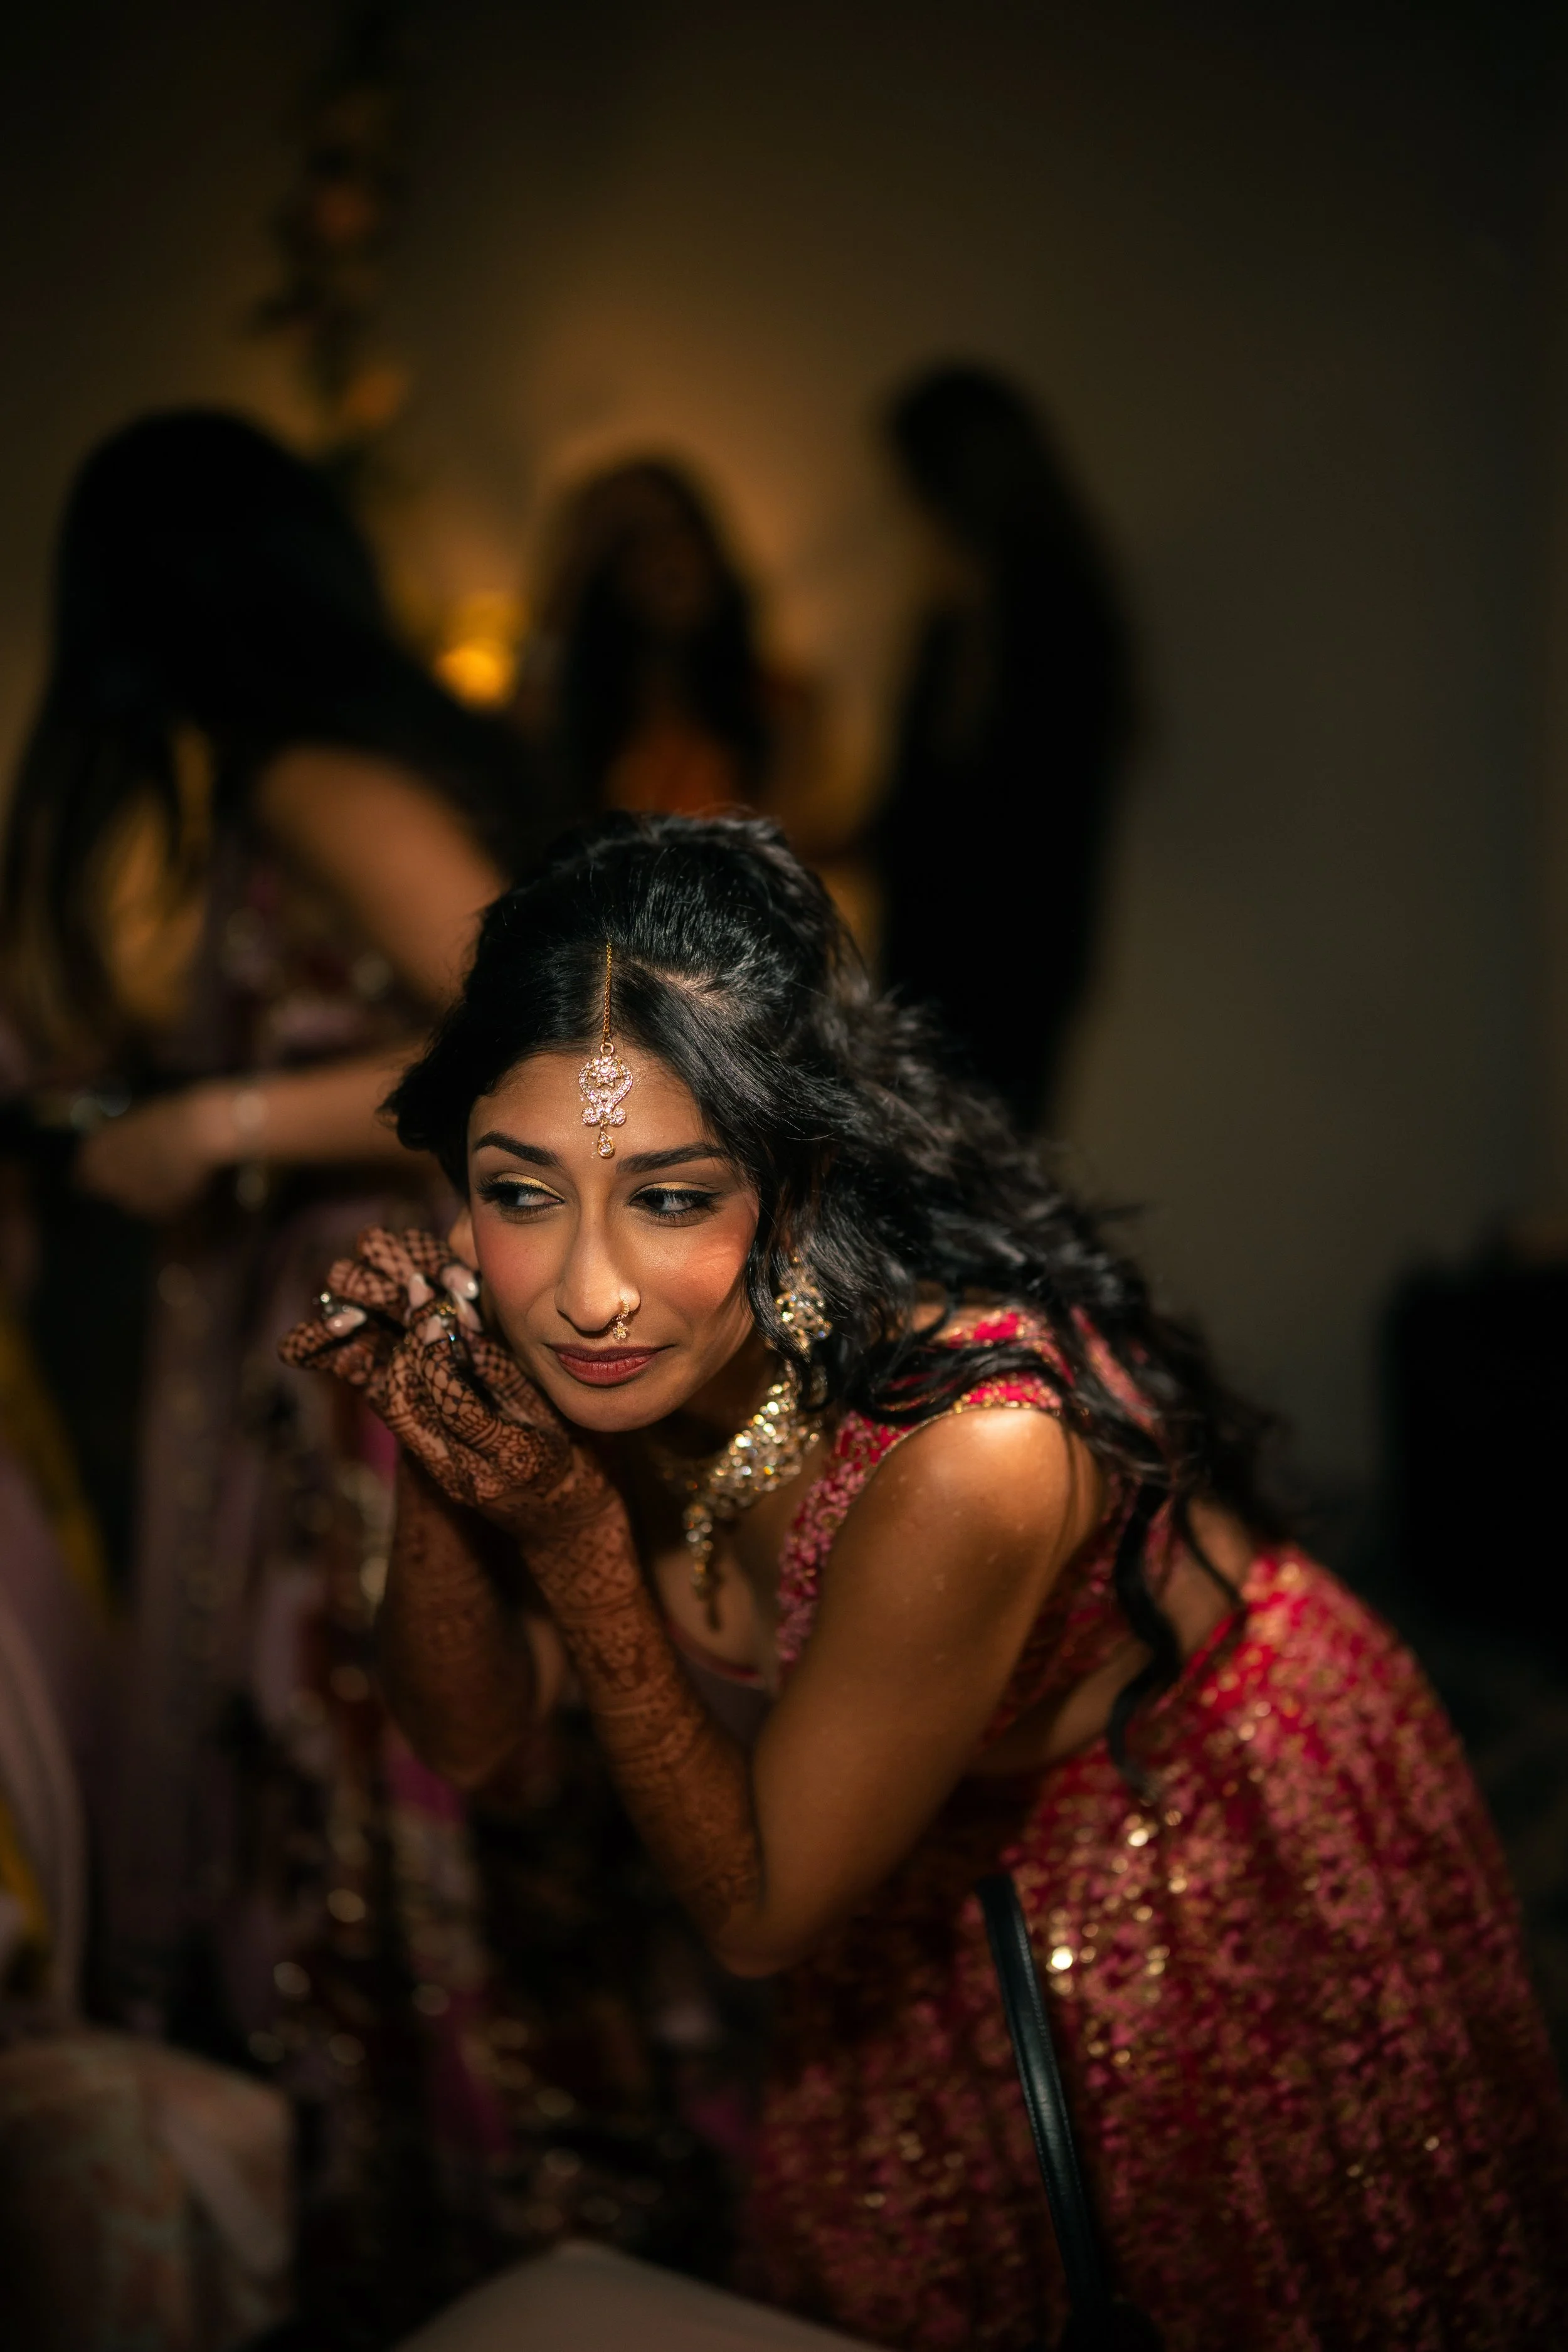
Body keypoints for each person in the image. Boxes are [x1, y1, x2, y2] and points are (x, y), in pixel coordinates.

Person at [283, 812, 1568, 2352]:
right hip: (896, 1873)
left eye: (675, 1196)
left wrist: (566, 1533)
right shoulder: (599, 1343)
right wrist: (440, 1429)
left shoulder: (972, 1449)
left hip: (1171, 1840)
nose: (588, 1288)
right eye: (523, 1190)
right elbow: (479, 1738)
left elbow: (759, 1913)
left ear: (798, 1180)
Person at [0, 413, 719, 2337]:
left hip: (372, 1327)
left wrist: (224, 1120)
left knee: (391, 1761)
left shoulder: (316, 774)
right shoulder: (322, 768)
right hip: (344, 1319)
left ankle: (475, 2207)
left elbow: (549, 1035)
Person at [876, 363, 1135, 1132]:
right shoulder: (1012, 612)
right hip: (992, 956)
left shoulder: (1021, 619)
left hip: (988, 959)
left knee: (960, 1183)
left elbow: (975, 812)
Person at [516, 459, 822, 829]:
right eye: (633, 541)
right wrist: (570, 577)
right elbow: (518, 752)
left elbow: (775, 860)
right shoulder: (577, 718)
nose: (665, 557)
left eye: (678, 530)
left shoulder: (777, 709)